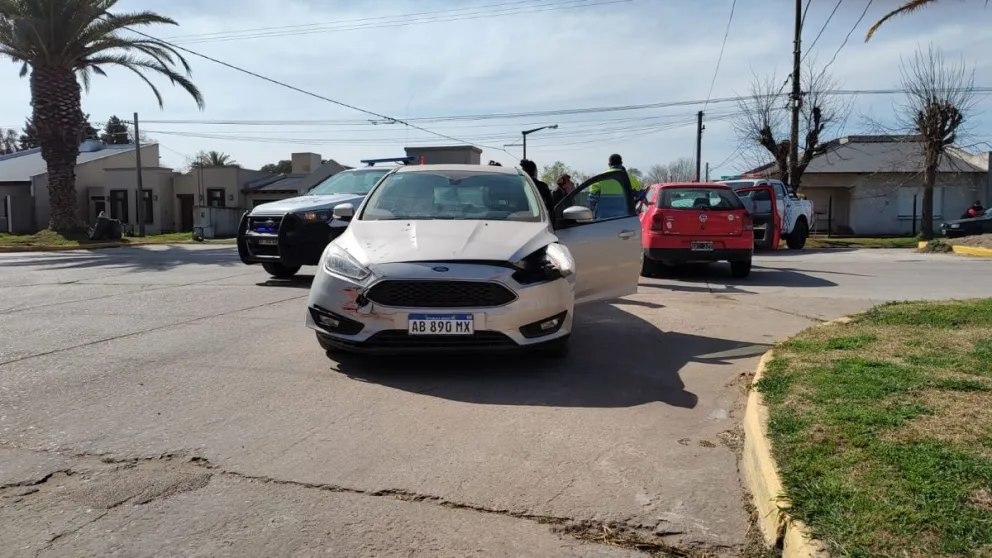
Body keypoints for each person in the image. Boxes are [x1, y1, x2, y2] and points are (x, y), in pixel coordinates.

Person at [587, 153, 645, 219]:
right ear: (621, 163)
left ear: (609, 163)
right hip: (625, 220)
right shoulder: (631, 179)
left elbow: (592, 201)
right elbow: (641, 194)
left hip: (602, 221)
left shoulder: (598, 179)